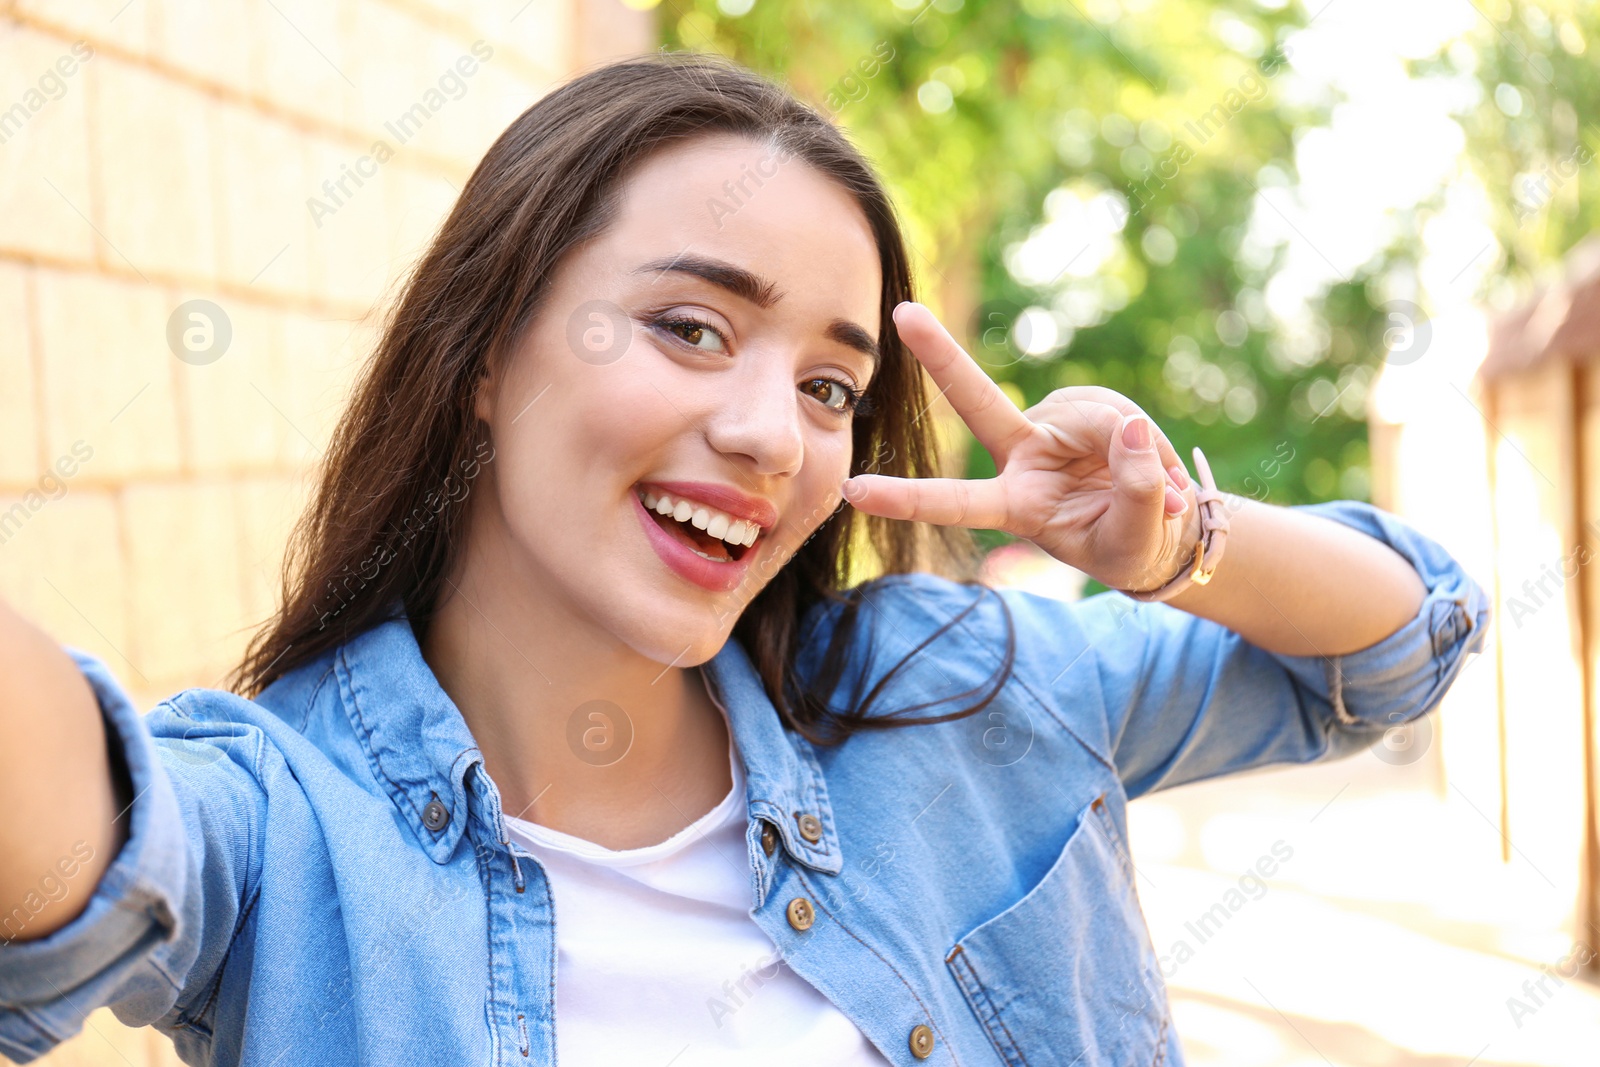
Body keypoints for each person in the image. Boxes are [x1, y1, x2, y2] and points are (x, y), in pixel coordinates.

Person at [0, 54, 1485, 1067]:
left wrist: (1177, 544)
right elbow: (73, 852)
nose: (776, 435)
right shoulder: (282, 826)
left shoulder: (942, 688)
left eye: (830, 387)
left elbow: (1404, 641)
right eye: (690, 329)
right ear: (488, 355)